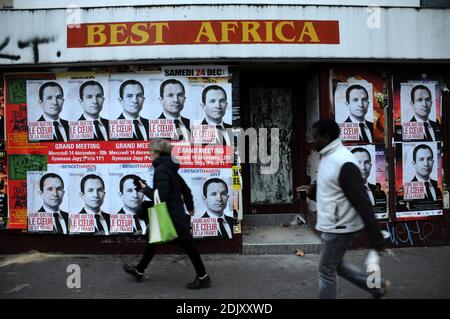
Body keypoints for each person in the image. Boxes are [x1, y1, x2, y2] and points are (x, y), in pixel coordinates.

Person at [297, 119, 389, 299]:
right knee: (336, 265)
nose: (312, 141)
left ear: (326, 137)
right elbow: (334, 191)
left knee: (326, 271)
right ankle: (376, 287)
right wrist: (312, 192)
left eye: (315, 137)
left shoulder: (343, 161)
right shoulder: (328, 156)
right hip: (333, 224)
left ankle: (376, 287)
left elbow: (361, 200)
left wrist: (375, 235)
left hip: (339, 227)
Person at [123, 139, 210, 289]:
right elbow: (186, 189)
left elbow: (160, 196)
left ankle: (203, 277)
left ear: (158, 153)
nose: (149, 154)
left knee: (188, 245)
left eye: (151, 151)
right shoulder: (169, 168)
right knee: (153, 240)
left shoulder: (161, 170)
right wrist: (190, 206)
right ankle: (139, 270)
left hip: (172, 215)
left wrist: (144, 188)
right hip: (173, 213)